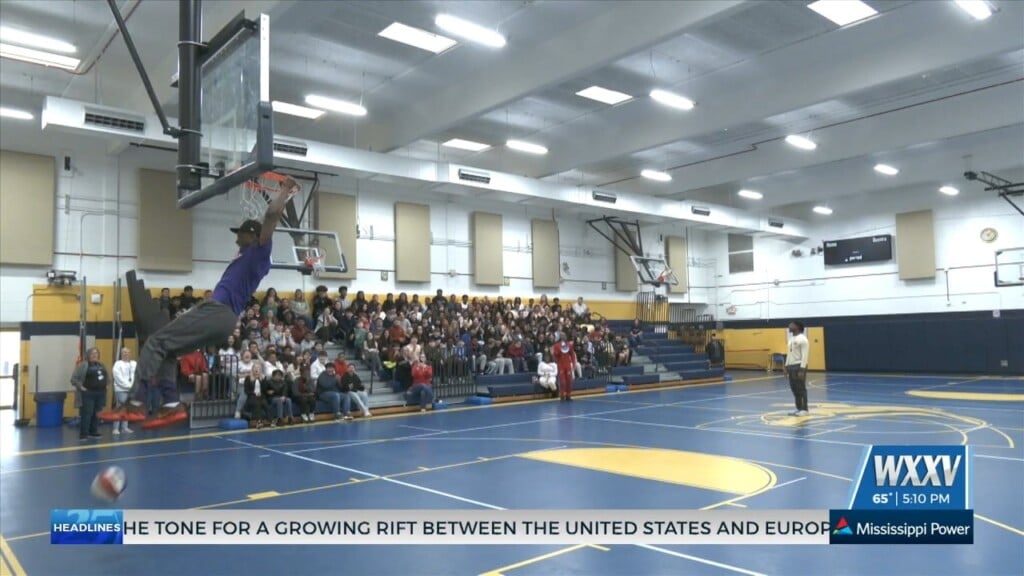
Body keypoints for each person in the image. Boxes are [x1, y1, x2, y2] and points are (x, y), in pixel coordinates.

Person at [99, 177, 297, 427]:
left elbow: (271, 215)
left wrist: (285, 191)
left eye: (240, 235)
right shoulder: (246, 255)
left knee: (154, 341)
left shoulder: (259, 253)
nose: (236, 240)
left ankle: (136, 403)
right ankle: (172, 405)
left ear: (252, 235)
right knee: (167, 350)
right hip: (221, 316)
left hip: (219, 312)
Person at [69, 348, 108, 441]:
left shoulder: (101, 365)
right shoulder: (83, 365)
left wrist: (106, 385)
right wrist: (81, 387)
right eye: (92, 353)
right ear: (88, 355)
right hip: (88, 394)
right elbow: (73, 379)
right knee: (87, 414)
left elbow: (107, 377)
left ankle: (93, 432)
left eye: (96, 353)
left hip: (100, 394)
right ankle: (84, 434)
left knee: (97, 414)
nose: (94, 355)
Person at [786, 321, 810, 416]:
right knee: (794, 388)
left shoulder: (803, 339)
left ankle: (805, 409)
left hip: (799, 366)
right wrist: (786, 365)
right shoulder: (791, 339)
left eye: (791, 325)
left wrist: (802, 369)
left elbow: (805, 355)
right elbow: (789, 353)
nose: (789, 326)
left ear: (797, 327)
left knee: (801, 388)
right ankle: (798, 408)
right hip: (791, 366)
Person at [111, 347, 136, 435]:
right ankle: (115, 428)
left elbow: (136, 375)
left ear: (130, 354)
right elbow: (117, 377)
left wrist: (133, 386)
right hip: (121, 389)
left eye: (128, 352)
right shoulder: (118, 364)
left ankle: (125, 427)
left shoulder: (133, 363)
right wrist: (128, 386)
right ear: (121, 354)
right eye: (124, 352)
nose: (126, 354)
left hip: (131, 390)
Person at [552, 333, 577, 402]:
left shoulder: (570, 345)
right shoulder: (556, 345)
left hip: (568, 364)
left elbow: (572, 355)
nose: (563, 337)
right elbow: (554, 355)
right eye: (562, 336)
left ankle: (568, 395)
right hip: (561, 365)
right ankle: (562, 395)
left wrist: (574, 363)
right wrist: (558, 353)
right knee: (562, 381)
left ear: (566, 337)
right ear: (560, 337)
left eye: (564, 336)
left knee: (569, 381)